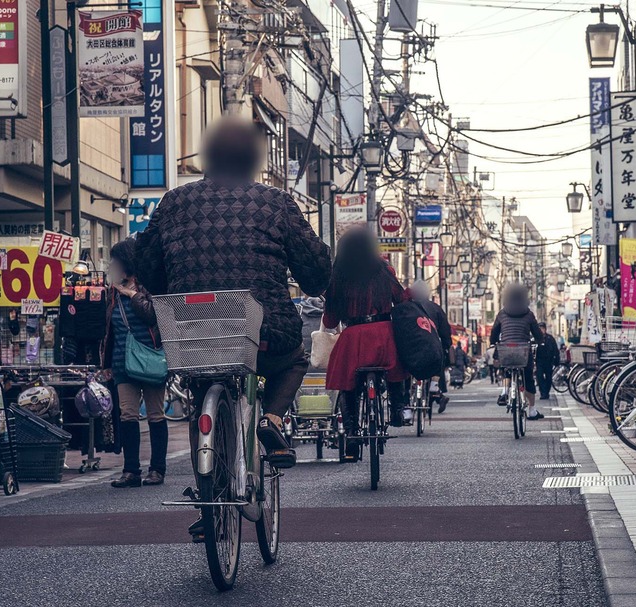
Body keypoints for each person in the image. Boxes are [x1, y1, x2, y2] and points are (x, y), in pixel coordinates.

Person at [136, 117, 331, 472]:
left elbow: (146, 266)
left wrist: (173, 286)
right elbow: (316, 271)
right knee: (294, 360)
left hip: (192, 329)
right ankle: (271, 420)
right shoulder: (276, 202)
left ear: (207, 157)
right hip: (263, 332)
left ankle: (206, 500)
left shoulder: (173, 201)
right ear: (252, 159)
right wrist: (316, 279)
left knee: (201, 390)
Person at [322, 228, 408, 461]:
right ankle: (399, 410)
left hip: (353, 338)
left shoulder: (338, 276)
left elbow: (330, 320)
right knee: (396, 370)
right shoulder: (384, 271)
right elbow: (401, 300)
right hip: (383, 334)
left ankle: (350, 435)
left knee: (348, 387)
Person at [101, 237, 168, 489]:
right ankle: (131, 471)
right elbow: (109, 330)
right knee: (127, 415)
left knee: (155, 415)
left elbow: (153, 315)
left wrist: (132, 294)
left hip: (151, 360)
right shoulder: (111, 293)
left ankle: (157, 469)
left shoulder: (149, 286)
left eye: (116, 261)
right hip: (121, 363)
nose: (112, 266)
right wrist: (105, 363)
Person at [490, 283, 545, 420]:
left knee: (506, 369)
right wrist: (539, 340)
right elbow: (537, 333)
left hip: (506, 349)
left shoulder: (502, 314)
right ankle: (532, 410)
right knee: (528, 378)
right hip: (523, 351)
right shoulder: (529, 314)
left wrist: (494, 341)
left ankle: (504, 391)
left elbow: (494, 332)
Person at [408, 280, 451, 413]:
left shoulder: (407, 307)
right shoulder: (436, 308)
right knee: (438, 358)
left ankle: (406, 400)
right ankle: (434, 385)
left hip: (412, 347)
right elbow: (445, 331)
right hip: (432, 345)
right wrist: (447, 345)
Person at [535, 322, 560, 401]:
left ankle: (546, 392)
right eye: (540, 329)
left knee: (549, 377)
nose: (541, 330)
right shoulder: (536, 339)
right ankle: (542, 392)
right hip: (539, 361)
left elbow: (555, 350)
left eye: (542, 328)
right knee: (539, 376)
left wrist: (556, 361)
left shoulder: (550, 338)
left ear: (545, 329)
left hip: (549, 361)